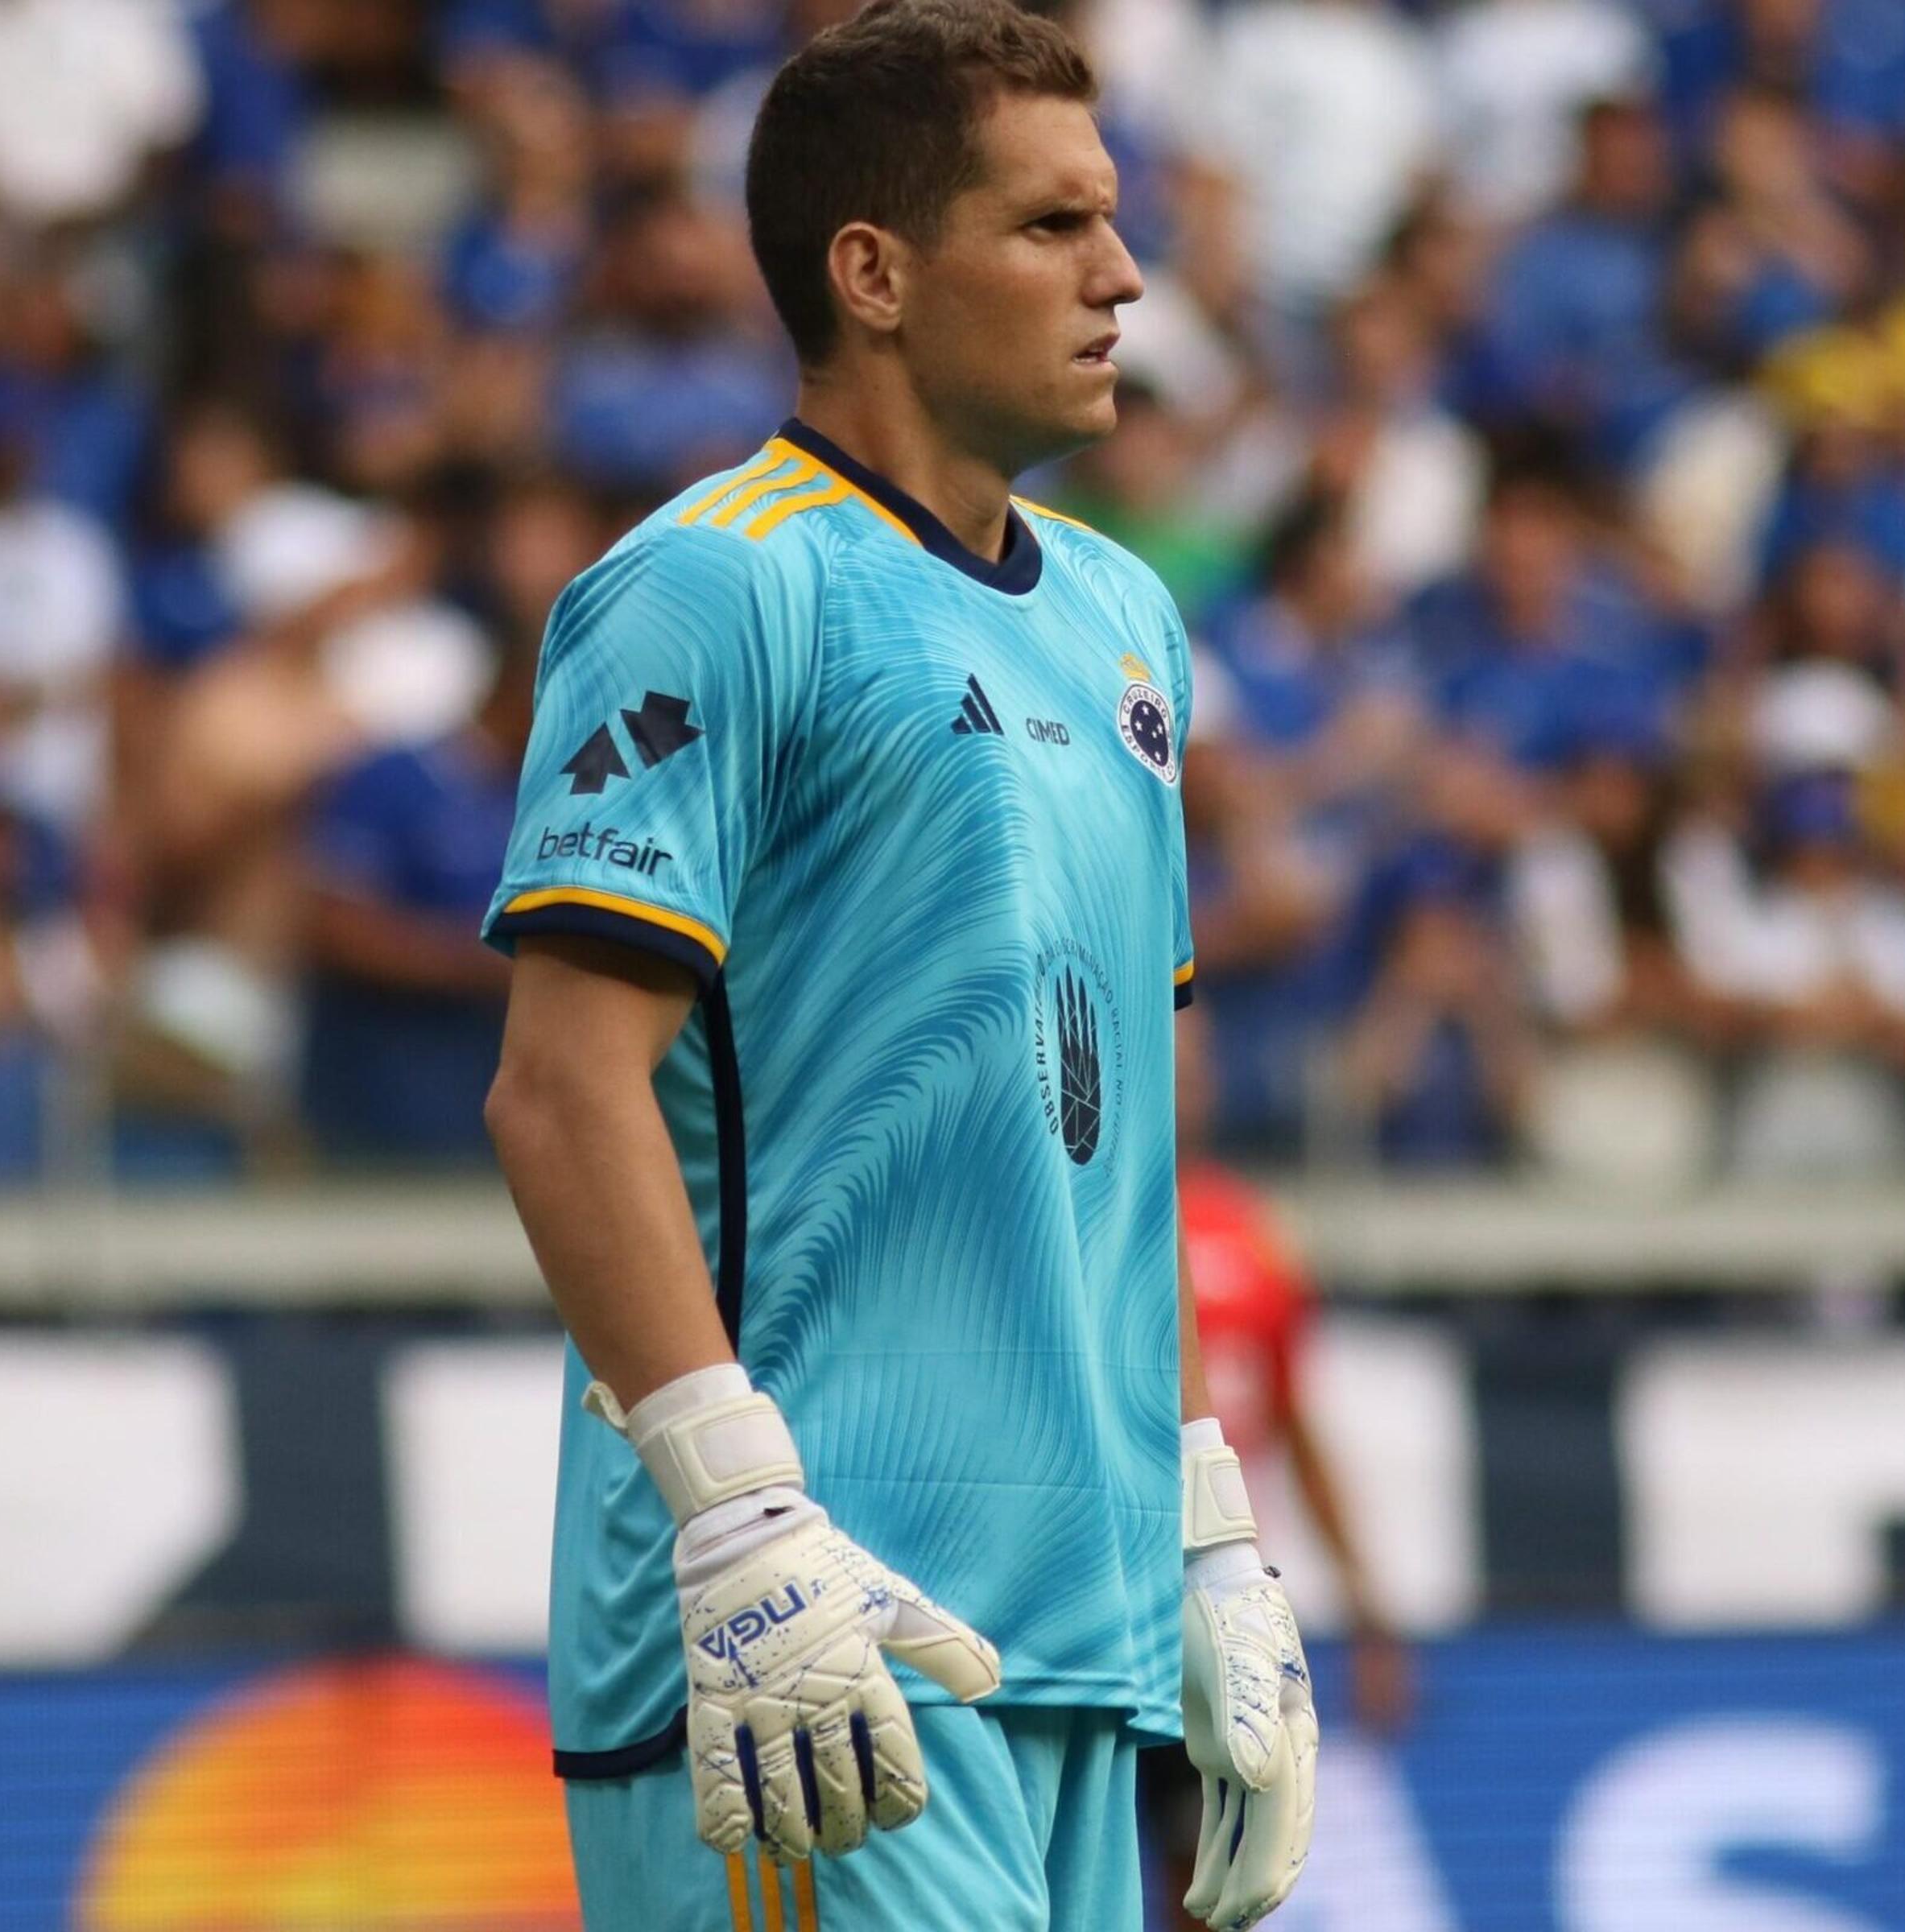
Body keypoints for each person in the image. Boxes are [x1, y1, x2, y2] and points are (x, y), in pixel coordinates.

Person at [476, 7, 1316, 1931]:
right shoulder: (713, 583)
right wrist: (733, 1505)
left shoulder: (1125, 619)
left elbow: (1100, 1133)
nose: (1121, 276)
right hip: (810, 1628)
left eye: (1116, 224)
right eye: (1051, 226)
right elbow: (559, 1082)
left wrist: (1199, 1518)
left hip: (1076, 1640)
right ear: (871, 271)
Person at [1147, 1005, 1415, 1926]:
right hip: (1094, 1606)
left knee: (1215, 1876)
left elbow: (1301, 1432)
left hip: (1207, 1604)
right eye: (1174, 1055)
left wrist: (1366, 1605)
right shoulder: (1077, 1215)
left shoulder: (1254, 1238)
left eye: (1200, 1059)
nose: (1189, 1076)